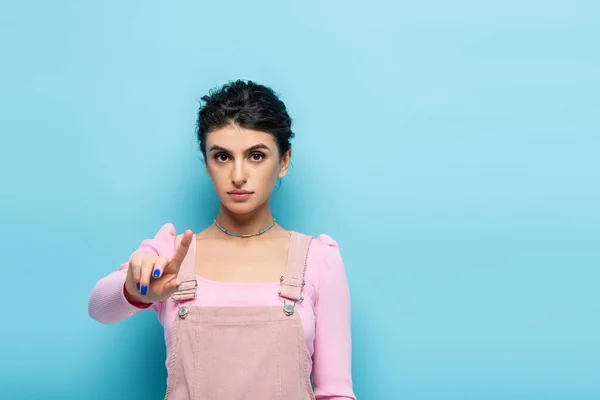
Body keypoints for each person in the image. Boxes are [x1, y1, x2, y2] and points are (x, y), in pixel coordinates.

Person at [88, 80, 356, 400]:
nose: (238, 175)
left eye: (256, 156)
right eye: (223, 156)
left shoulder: (318, 260)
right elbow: (100, 308)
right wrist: (137, 289)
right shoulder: (172, 257)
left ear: (283, 161)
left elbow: (336, 393)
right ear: (206, 163)